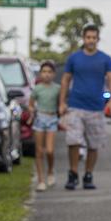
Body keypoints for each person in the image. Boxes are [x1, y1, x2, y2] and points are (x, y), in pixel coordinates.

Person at [58, 23, 111, 190]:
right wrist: (62, 102)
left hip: (96, 108)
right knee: (73, 141)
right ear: (83, 39)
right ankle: (73, 173)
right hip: (75, 106)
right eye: (88, 37)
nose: (91, 40)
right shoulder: (74, 58)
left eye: (93, 38)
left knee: (93, 144)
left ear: (98, 39)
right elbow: (65, 80)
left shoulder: (105, 59)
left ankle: (88, 174)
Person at [29, 61, 62, 191]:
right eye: (44, 72)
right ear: (40, 74)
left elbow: (61, 104)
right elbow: (31, 104)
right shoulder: (37, 88)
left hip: (52, 119)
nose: (47, 75)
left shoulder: (57, 88)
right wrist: (31, 110)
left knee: (50, 150)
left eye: (49, 72)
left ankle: (50, 171)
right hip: (39, 120)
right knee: (39, 151)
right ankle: (41, 180)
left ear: (53, 74)